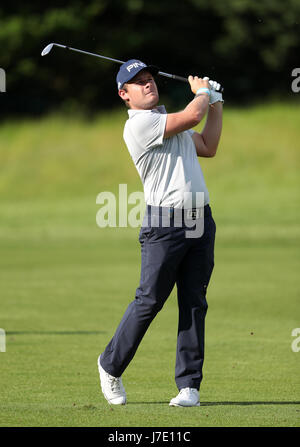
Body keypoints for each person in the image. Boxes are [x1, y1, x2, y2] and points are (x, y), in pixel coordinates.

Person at [97, 59, 223, 407]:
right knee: (150, 299)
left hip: (201, 219)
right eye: (138, 82)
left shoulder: (169, 123)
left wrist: (217, 104)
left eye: (149, 78)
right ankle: (110, 365)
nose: (148, 84)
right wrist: (204, 94)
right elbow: (193, 115)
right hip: (165, 224)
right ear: (124, 94)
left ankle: (189, 386)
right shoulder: (140, 125)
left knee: (194, 301)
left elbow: (209, 145)